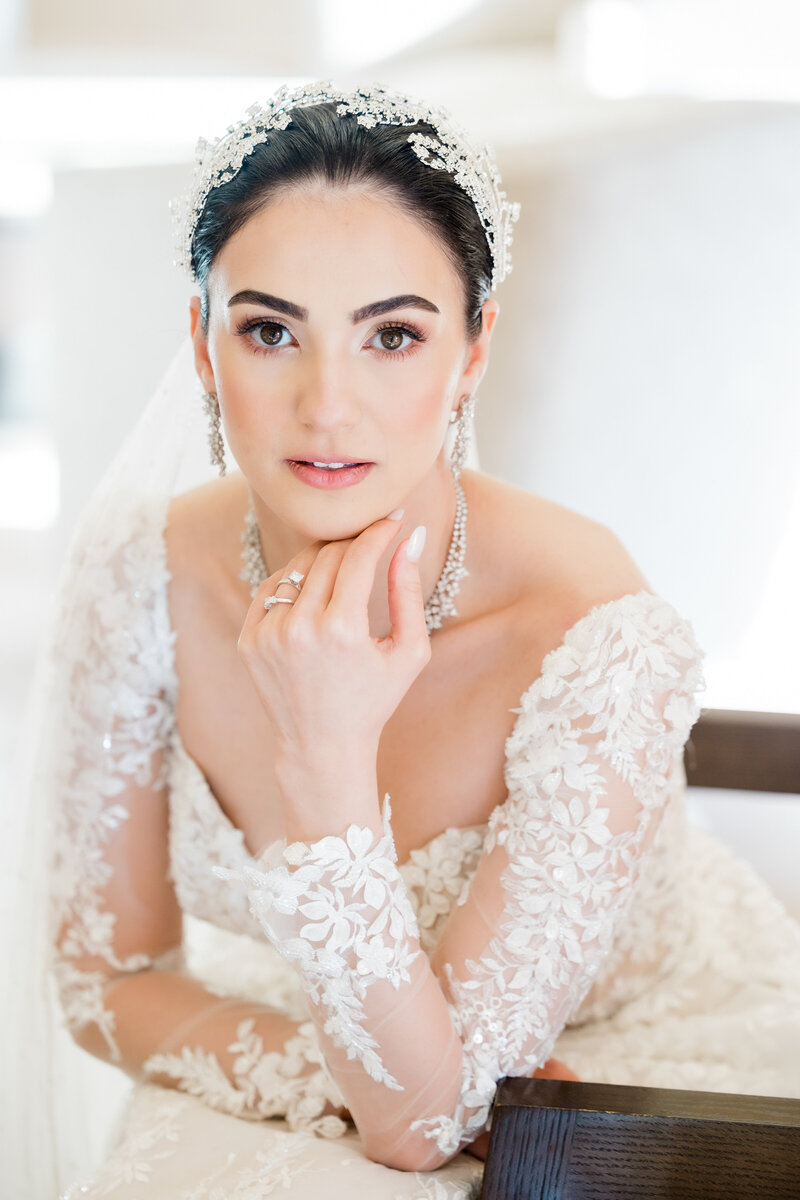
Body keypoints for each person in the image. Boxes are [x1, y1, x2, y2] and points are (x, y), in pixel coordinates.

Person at [8, 81, 800, 1199]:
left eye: (391, 336)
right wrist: (334, 1067)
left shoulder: (593, 633)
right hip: (326, 1026)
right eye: (270, 331)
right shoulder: (138, 572)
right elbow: (103, 979)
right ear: (201, 343)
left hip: (618, 1080)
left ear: (471, 351)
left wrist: (325, 760)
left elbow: (423, 1127)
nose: (327, 406)